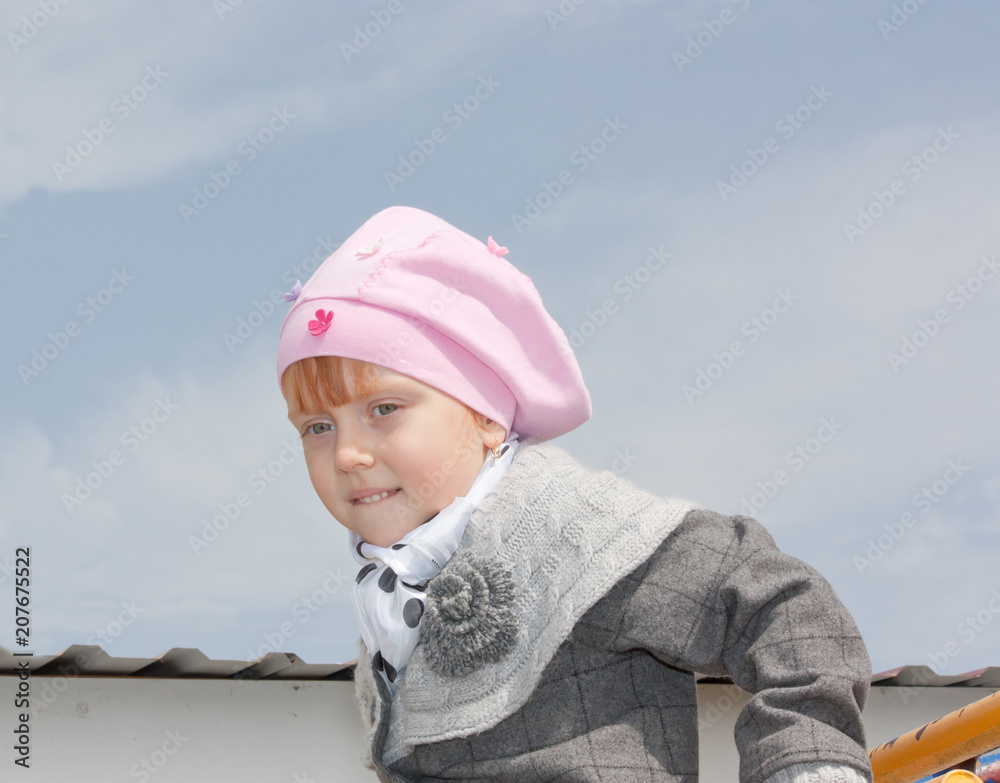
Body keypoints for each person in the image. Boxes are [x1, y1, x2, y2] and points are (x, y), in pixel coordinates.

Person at [276, 205, 873, 783]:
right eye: (318, 427)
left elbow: (781, 605)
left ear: (486, 417)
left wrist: (806, 761)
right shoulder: (398, 589)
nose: (347, 454)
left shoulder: (573, 536)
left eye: (384, 409)